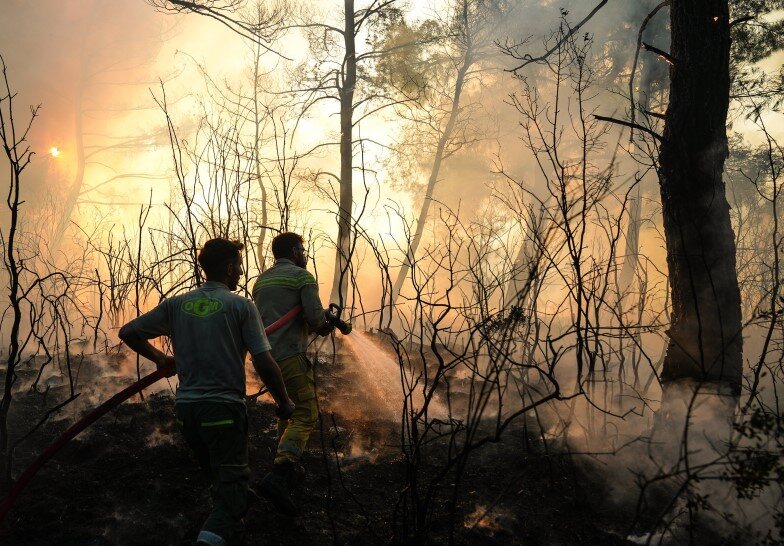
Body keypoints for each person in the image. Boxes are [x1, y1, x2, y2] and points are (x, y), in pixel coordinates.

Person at [119, 238, 295, 546]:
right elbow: (264, 361)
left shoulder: (177, 304)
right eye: (238, 266)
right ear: (228, 268)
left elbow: (129, 332)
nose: (241, 271)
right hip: (223, 411)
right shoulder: (241, 305)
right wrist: (285, 401)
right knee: (232, 498)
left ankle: (228, 527)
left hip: (188, 413)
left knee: (219, 477)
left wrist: (161, 358)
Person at [252, 232, 333, 516]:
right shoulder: (303, 277)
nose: (306, 255)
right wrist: (324, 324)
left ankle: (285, 460)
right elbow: (314, 318)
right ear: (296, 251)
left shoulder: (261, 280)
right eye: (304, 250)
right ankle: (280, 473)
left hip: (264, 358)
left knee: (286, 408)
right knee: (306, 413)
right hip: (288, 357)